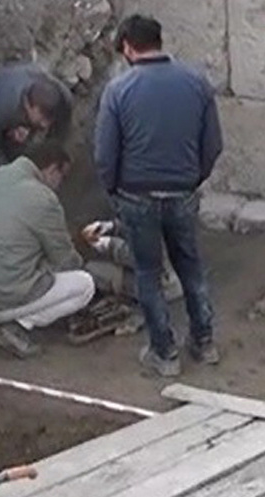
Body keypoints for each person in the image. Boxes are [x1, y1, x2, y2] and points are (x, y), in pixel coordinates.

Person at [95, 13, 223, 378]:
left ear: (128, 48)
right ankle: (204, 342)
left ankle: (164, 354)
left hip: (137, 196)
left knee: (148, 274)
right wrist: (192, 178)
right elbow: (212, 144)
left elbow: (106, 154)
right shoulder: (196, 82)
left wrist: (114, 191)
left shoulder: (118, 91)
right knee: (190, 265)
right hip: (182, 191)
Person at [0, 141, 96, 358]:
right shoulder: (44, 198)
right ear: (52, 169)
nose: (59, 185)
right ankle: (15, 325)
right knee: (84, 285)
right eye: (62, 177)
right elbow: (66, 261)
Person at [0, 63, 72, 175]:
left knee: (18, 149)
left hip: (11, 112)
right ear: (30, 106)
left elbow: (61, 129)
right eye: (43, 119)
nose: (45, 125)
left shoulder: (61, 95)